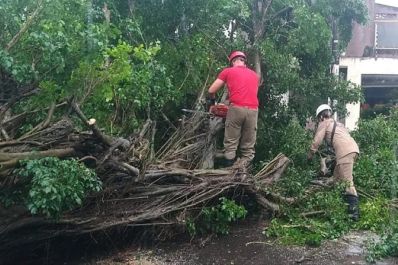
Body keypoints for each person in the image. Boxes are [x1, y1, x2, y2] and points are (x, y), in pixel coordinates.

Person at [307, 104, 360, 221]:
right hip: (353, 150)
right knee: (336, 179)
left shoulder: (324, 123)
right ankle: (338, 204)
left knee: (347, 183)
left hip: (344, 153)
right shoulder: (339, 124)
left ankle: (354, 215)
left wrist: (309, 157)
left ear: (320, 116)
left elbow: (316, 142)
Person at [207, 50, 260, 167]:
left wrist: (212, 102)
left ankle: (228, 173)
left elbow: (211, 90)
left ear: (232, 62)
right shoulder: (255, 76)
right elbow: (248, 94)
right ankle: (244, 175)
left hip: (236, 109)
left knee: (231, 145)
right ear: (244, 62)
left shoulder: (228, 71)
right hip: (253, 111)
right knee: (248, 147)